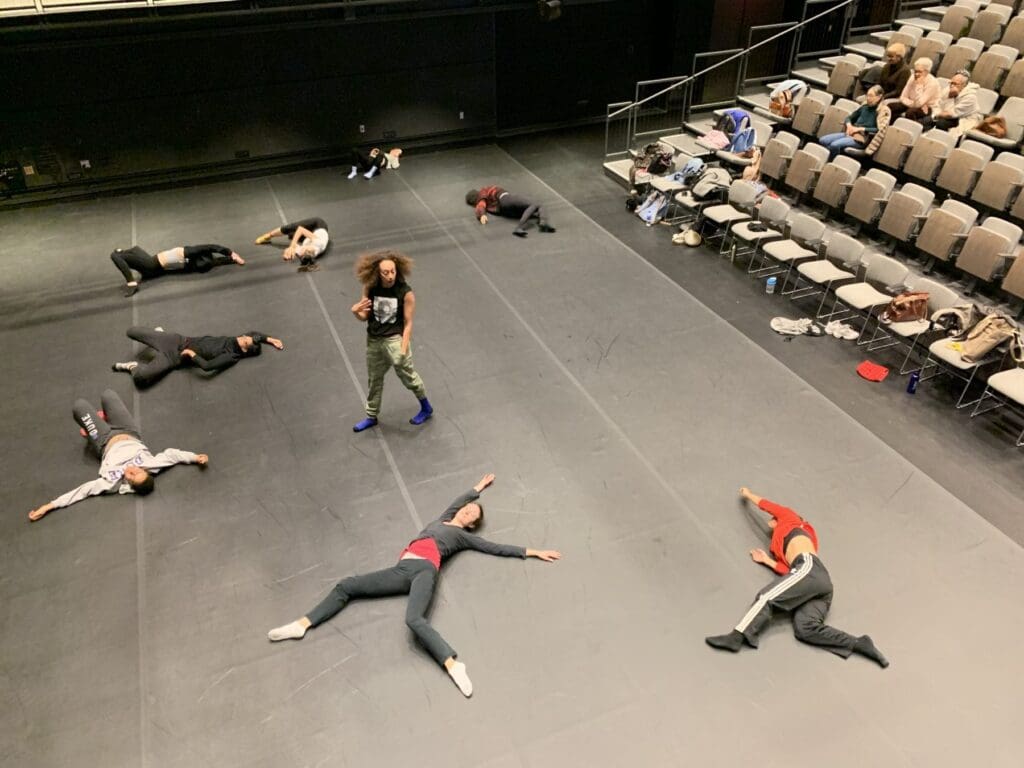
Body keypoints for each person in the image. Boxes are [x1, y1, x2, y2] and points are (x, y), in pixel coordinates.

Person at [267, 473, 561, 697]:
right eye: (469, 508)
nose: (468, 511)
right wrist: (477, 489)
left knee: (414, 620)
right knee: (347, 585)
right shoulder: (444, 518)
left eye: (473, 515)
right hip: (401, 569)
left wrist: (531, 551)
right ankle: (302, 624)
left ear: (471, 525)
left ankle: (452, 664)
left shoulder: (462, 536)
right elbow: (459, 501)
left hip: (424, 570)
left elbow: (493, 547)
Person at [704, 487, 889, 668]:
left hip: (808, 566)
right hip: (817, 582)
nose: (770, 521)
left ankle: (738, 636)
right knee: (805, 628)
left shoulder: (789, 519)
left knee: (767, 597)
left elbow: (767, 505)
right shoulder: (781, 546)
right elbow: (790, 574)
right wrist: (767, 561)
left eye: (772, 520)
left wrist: (748, 495)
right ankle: (858, 643)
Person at [27, 389, 208, 521]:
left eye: (131, 475)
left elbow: (82, 491)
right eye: (137, 470)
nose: (131, 469)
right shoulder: (151, 465)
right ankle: (104, 421)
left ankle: (95, 430)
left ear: (128, 483)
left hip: (104, 441)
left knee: (79, 405)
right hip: (128, 430)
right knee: (108, 395)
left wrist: (49, 506)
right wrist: (195, 457)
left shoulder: (110, 482)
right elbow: (172, 455)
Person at [350, 250, 432, 432]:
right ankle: (371, 416)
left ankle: (426, 407)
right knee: (374, 379)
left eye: (392, 271)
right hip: (374, 341)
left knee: (408, 376)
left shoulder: (405, 293)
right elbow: (364, 316)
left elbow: (409, 323)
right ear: (377, 273)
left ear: (398, 270)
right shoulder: (370, 288)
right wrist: (356, 311)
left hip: (394, 340)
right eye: (385, 272)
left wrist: (403, 348)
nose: (390, 276)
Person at [112, 326, 284, 387]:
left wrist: (192, 355)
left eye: (245, 341)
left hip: (175, 357)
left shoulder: (231, 357)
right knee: (131, 331)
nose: (243, 337)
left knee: (141, 378)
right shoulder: (242, 339)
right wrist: (271, 339)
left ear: (245, 351)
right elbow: (255, 335)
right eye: (245, 336)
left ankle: (132, 367)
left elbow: (208, 367)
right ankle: (158, 335)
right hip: (176, 339)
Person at [110, 244, 245, 297]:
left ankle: (131, 283)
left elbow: (210, 247)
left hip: (151, 265)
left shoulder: (188, 252)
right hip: (153, 269)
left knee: (115, 255)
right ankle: (122, 251)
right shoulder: (194, 265)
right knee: (135, 250)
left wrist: (230, 253)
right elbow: (215, 257)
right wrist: (232, 256)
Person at [465, 186, 556, 238]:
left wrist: (482, 215)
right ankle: (521, 228)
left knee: (536, 206)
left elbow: (481, 206)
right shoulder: (483, 193)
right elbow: (481, 206)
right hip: (505, 199)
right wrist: (482, 215)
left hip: (506, 210)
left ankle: (543, 224)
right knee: (536, 204)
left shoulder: (484, 201)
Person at [818, 86, 882, 158]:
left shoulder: (881, 111)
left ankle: (830, 162)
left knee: (834, 145)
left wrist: (860, 129)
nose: (868, 98)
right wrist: (849, 126)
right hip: (850, 133)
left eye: (871, 96)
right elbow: (849, 118)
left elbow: (878, 130)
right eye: (867, 95)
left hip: (861, 139)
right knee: (823, 140)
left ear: (878, 97)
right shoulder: (864, 107)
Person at [254, 217, 329, 271]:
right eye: (304, 250)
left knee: (292, 236)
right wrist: (292, 246)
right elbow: (300, 229)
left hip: (308, 237)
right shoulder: (318, 243)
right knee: (291, 227)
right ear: (310, 251)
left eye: (300, 254)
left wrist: (287, 252)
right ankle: (269, 235)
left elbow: (289, 251)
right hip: (317, 225)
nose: (300, 251)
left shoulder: (303, 253)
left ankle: (293, 235)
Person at [923, 70, 982, 136]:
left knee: (940, 123)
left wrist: (951, 97)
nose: (952, 86)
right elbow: (938, 104)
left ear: (964, 85)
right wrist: (934, 114)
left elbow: (951, 114)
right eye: (951, 83)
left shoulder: (970, 97)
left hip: (962, 119)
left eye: (955, 84)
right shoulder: (948, 89)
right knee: (924, 116)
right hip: (944, 115)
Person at [890, 57, 940, 121]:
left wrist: (919, 85)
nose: (916, 74)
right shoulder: (912, 77)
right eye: (915, 71)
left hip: (927, 108)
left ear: (927, 72)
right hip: (913, 103)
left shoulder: (933, 83)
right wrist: (912, 103)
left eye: (919, 72)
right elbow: (902, 97)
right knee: (891, 107)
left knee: (910, 112)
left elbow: (919, 103)